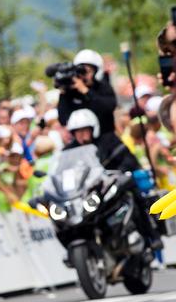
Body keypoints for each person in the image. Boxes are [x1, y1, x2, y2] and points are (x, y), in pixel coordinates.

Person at [65, 109, 163, 250]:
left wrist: (120, 171)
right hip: (87, 191)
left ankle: (151, 234)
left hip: (113, 183)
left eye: (85, 130)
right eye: (78, 132)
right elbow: (62, 170)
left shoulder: (108, 140)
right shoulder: (69, 150)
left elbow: (129, 159)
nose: (82, 135)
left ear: (93, 129)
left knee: (133, 192)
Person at [56, 49, 118, 133]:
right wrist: (63, 93)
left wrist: (86, 91)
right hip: (82, 140)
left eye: (88, 71)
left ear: (96, 72)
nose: (84, 75)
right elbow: (63, 119)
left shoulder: (103, 87)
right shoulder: (71, 91)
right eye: (81, 71)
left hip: (105, 135)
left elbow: (109, 107)